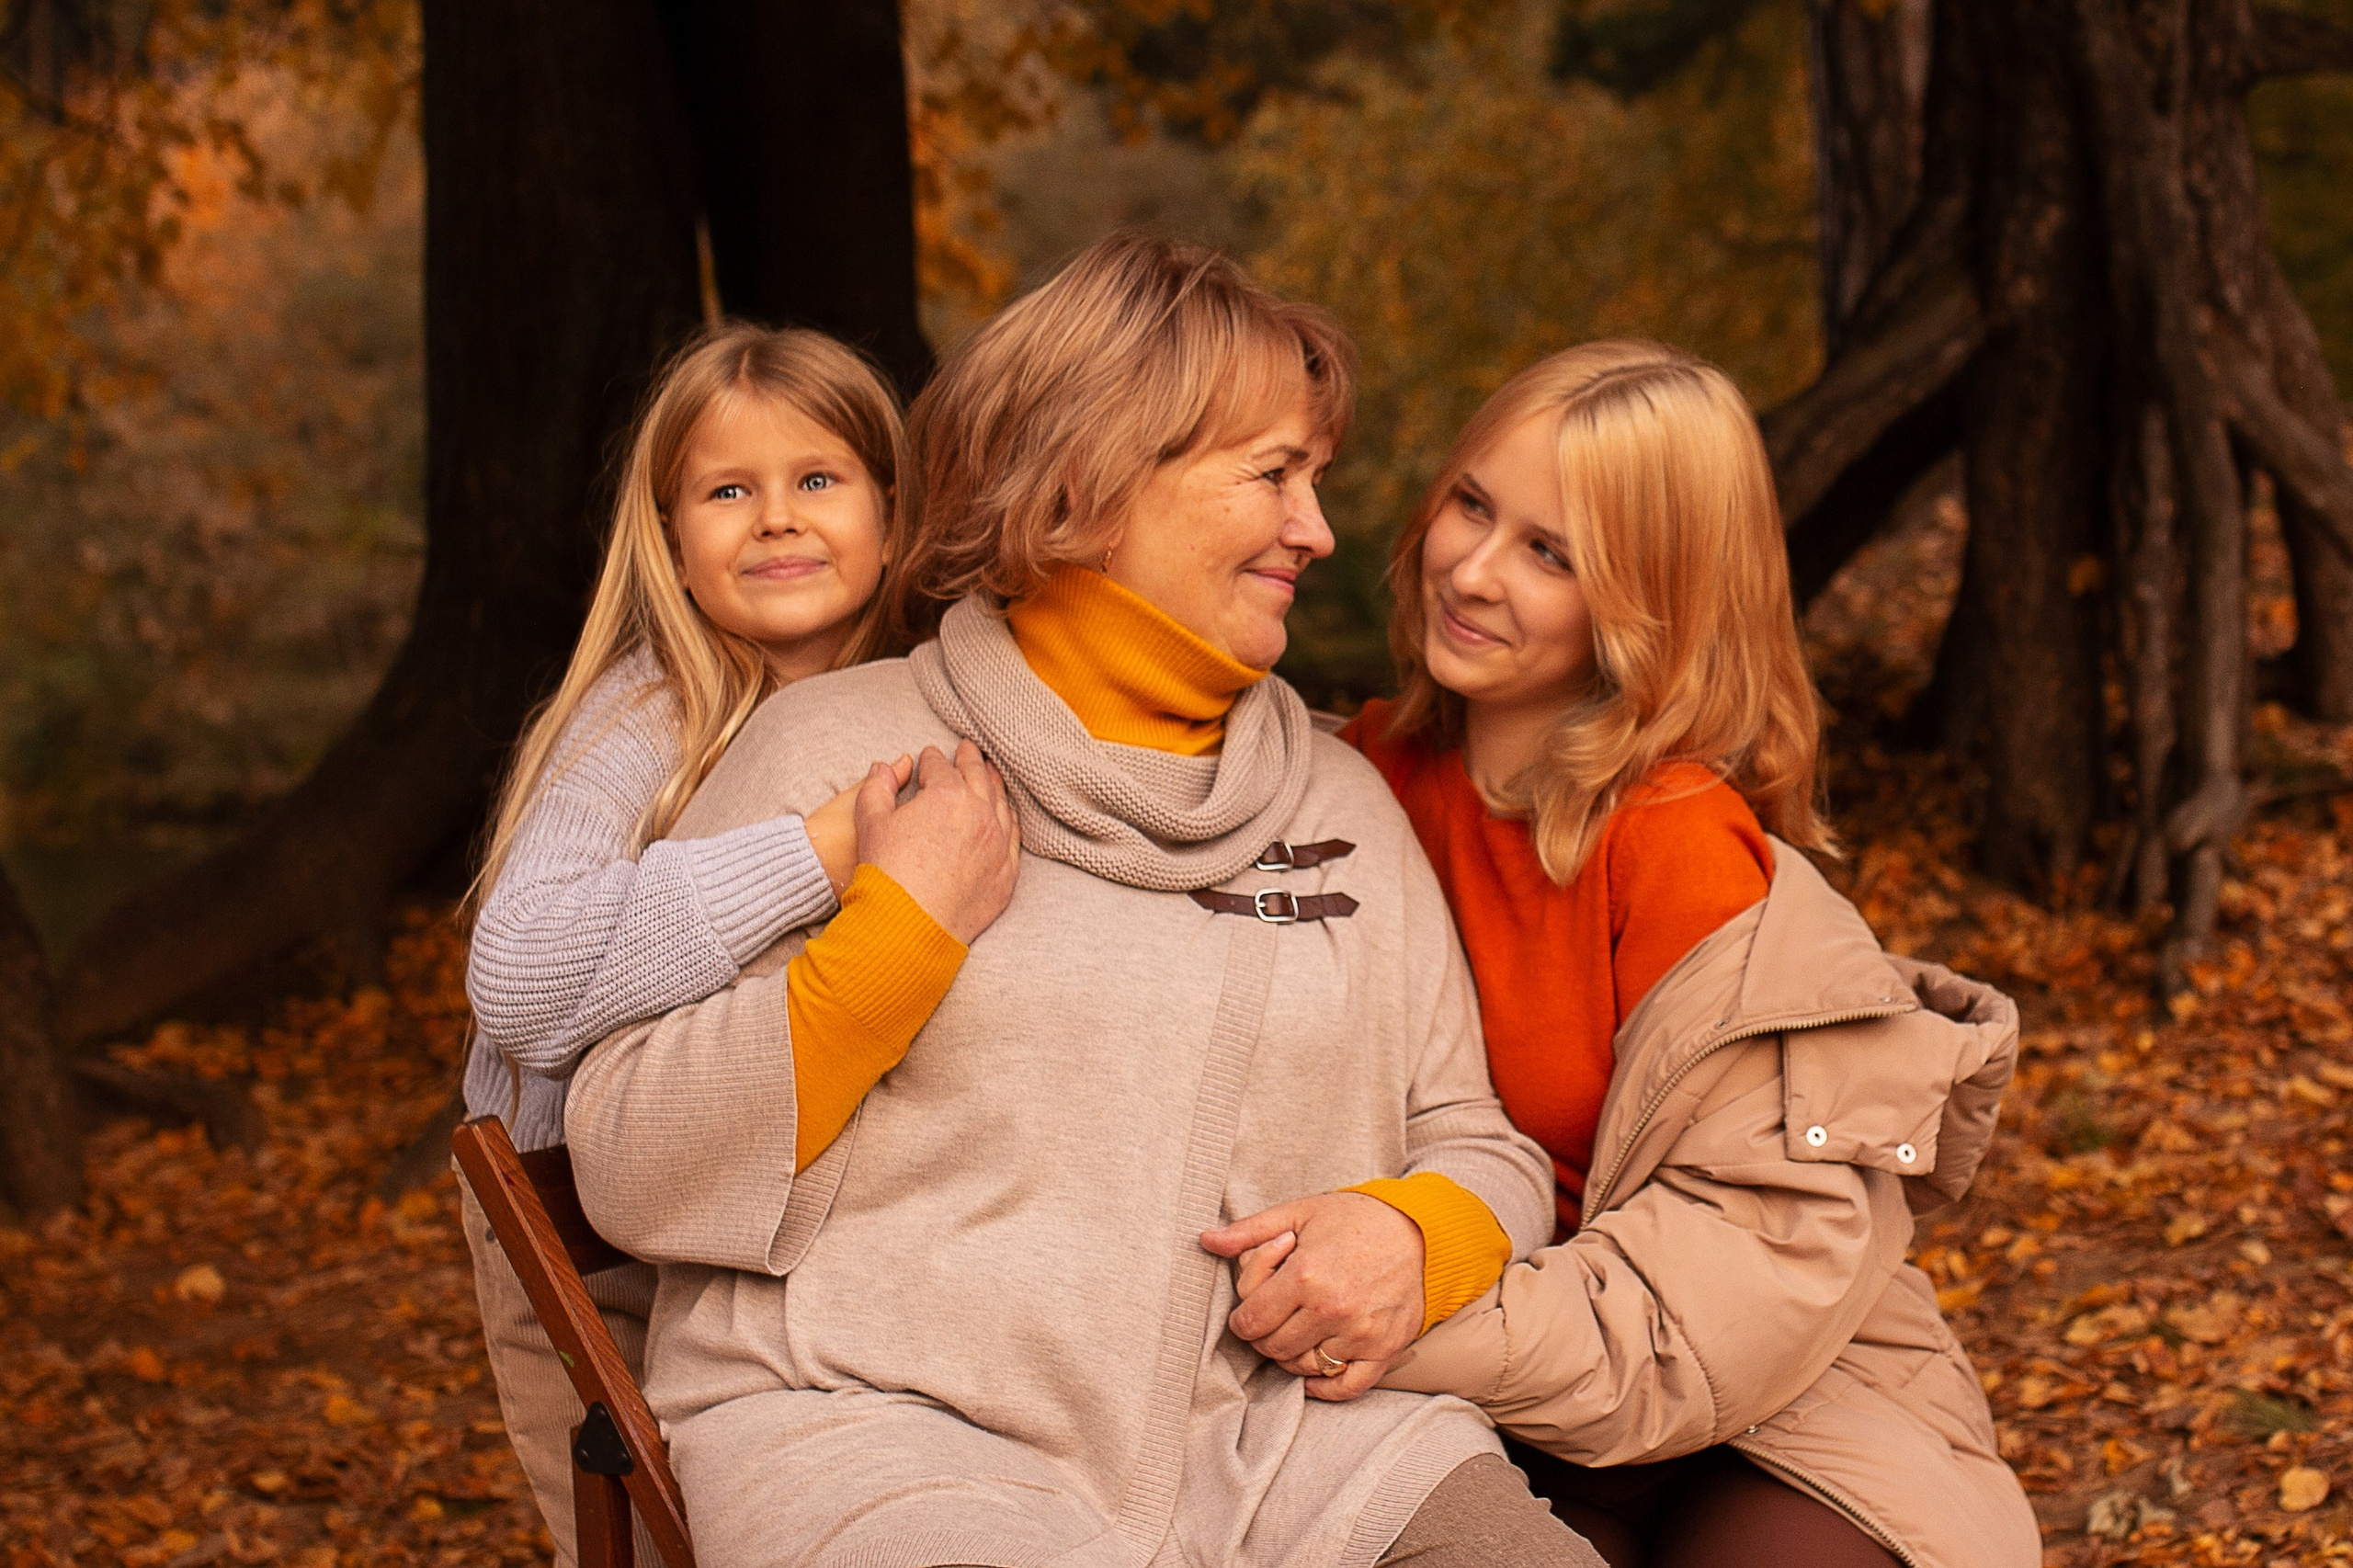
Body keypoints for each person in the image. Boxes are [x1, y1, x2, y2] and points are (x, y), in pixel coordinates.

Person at [563, 234, 1603, 1567]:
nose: (1318, 529)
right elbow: (629, 1149)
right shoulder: (844, 755)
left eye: (1318, 479)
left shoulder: (1339, 806)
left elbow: (1484, 1141)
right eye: (1274, 475)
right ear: (1091, 478)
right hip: (882, 1436)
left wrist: (1421, 1231)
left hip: (1286, 1453)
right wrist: (893, 943)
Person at [1214, 341, 2036, 1567]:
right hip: (1466, 1401)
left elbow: (1733, 1281)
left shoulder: (1672, 841)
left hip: (1755, 1402)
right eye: (1473, 505)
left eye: (1552, 554)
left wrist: (1380, 1308)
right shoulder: (1352, 781)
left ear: (1650, 597)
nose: (1475, 570)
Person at [458, 322, 1021, 1565]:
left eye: (817, 479)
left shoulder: (938, 694)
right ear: (672, 541)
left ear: (892, 508)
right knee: (658, 1543)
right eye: (727, 491)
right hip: (591, 1238)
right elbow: (521, 981)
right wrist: (820, 848)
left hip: (797, 1219)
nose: (776, 519)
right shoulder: (649, 710)